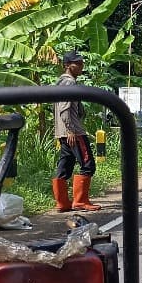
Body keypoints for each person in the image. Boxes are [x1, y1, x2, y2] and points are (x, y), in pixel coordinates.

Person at [52, 51, 100, 212]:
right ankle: (80, 201)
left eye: (81, 63)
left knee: (66, 164)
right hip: (73, 132)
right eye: (77, 63)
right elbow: (65, 109)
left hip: (61, 132)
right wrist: (71, 130)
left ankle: (62, 203)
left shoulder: (59, 82)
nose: (81, 66)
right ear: (67, 65)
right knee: (88, 165)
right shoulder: (69, 84)